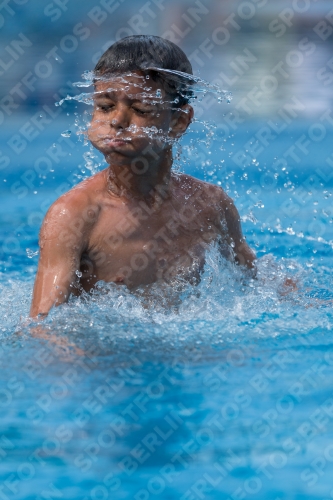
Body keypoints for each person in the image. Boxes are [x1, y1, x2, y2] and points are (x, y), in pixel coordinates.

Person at [30, 35, 255, 318]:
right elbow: (42, 327)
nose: (117, 121)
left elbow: (253, 284)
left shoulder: (210, 205)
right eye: (105, 106)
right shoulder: (75, 216)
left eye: (140, 110)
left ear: (178, 122)